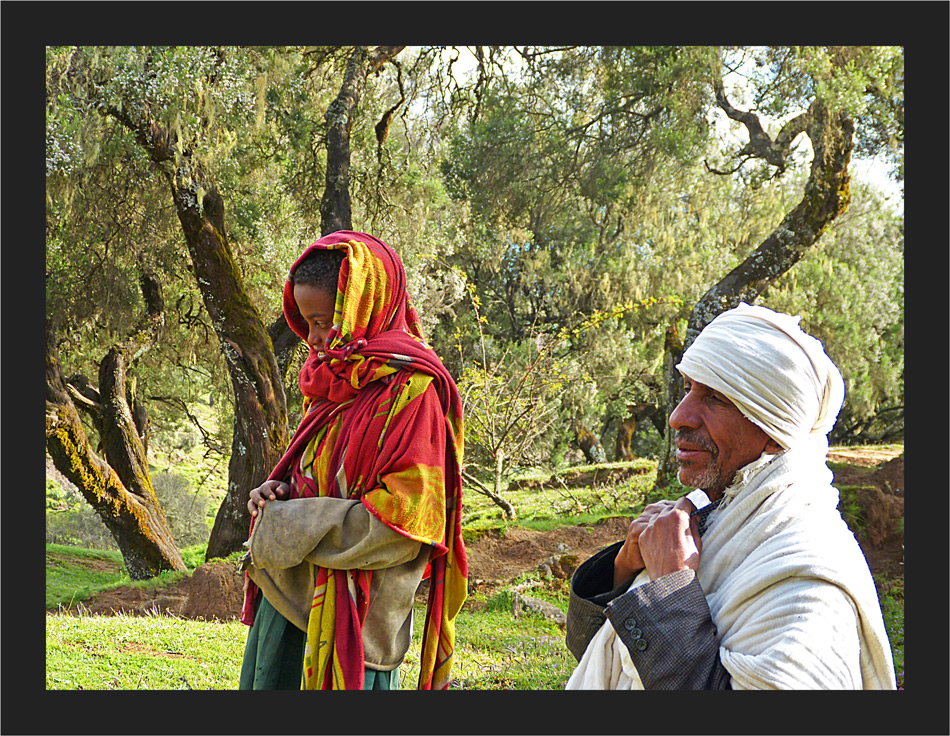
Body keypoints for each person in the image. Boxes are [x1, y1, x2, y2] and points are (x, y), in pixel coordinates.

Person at [565, 303, 896, 690]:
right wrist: (625, 569)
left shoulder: (807, 586)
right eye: (689, 388)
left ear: (774, 428)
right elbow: (600, 659)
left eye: (716, 399)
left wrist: (670, 589)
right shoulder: (718, 518)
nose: (678, 416)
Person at [238, 230, 467, 691]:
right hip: (286, 608)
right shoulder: (328, 379)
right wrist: (278, 492)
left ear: (363, 306)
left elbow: (409, 525)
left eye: (323, 321)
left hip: (359, 625)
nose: (315, 338)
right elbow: (319, 475)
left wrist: (293, 523)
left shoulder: (413, 394)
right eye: (305, 323)